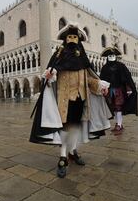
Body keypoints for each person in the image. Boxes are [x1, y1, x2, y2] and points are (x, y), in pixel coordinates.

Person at [29, 23, 111, 178]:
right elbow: (50, 79)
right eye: (70, 37)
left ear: (79, 40)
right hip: (64, 100)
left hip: (81, 99)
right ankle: (62, 157)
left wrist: (101, 87)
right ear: (65, 40)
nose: (72, 39)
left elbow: (90, 80)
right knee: (65, 128)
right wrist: (49, 76)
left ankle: (72, 151)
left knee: (76, 127)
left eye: (75, 37)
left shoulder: (83, 60)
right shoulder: (59, 57)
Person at [100, 46, 138, 135]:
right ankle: (118, 124)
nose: (111, 57)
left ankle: (119, 124)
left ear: (115, 56)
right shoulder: (105, 67)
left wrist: (129, 88)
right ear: (107, 57)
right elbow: (102, 79)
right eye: (109, 56)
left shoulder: (121, 66)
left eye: (112, 55)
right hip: (109, 90)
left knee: (118, 107)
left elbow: (127, 76)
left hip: (119, 90)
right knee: (113, 107)